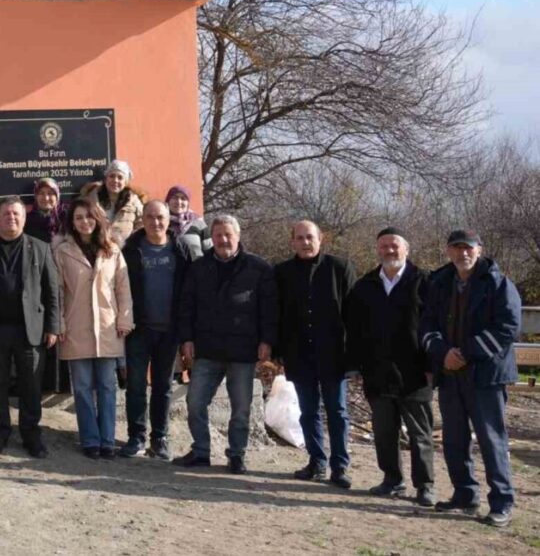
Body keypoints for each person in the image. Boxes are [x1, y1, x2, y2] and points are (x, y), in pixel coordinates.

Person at [421, 229, 521, 528]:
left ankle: (502, 502)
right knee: (454, 439)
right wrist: (442, 352)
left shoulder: (498, 283)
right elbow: (426, 325)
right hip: (450, 374)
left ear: (479, 250)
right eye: (456, 248)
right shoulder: (439, 283)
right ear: (447, 251)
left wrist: (465, 352)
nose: (462, 253)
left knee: (491, 440)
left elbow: (508, 327)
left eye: (468, 248)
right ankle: (464, 494)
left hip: (485, 375)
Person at [174, 215, 277, 473]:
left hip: (243, 350)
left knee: (241, 409)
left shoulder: (258, 268)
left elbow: (270, 308)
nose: (223, 240)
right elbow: (186, 306)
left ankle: (237, 455)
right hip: (207, 348)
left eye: (227, 234)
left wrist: (267, 340)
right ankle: (200, 451)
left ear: (238, 235)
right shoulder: (199, 268)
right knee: (195, 402)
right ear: (212, 238)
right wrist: (186, 339)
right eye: (218, 235)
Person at [346, 227, 435, 506]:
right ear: (377, 250)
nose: (389, 251)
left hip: (415, 373)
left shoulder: (424, 282)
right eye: (384, 246)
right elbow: (354, 329)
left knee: (420, 435)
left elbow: (435, 327)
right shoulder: (365, 286)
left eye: (394, 246)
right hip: (377, 372)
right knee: (384, 433)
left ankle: (425, 486)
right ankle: (392, 480)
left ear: (406, 249)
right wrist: (356, 366)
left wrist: (433, 364)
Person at [0, 196, 62, 458]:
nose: (11, 218)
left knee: (30, 386)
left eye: (16, 214)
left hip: (29, 330)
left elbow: (52, 291)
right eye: (6, 214)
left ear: (23, 218)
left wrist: (53, 327)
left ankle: (31, 435)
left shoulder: (41, 248)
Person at [274, 220, 357, 488]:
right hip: (299, 354)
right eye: (299, 238)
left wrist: (354, 356)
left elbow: (355, 316)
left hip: (334, 354)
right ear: (292, 242)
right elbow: (278, 315)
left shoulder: (340, 268)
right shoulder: (282, 273)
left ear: (321, 239)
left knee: (337, 411)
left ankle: (340, 466)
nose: (305, 242)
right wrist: (277, 351)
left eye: (310, 237)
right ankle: (316, 462)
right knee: (308, 412)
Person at [53, 199, 133, 459]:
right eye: (78, 218)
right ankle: (90, 440)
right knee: (83, 387)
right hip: (75, 326)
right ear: (72, 222)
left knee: (108, 387)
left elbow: (123, 289)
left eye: (89, 217)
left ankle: (108, 439)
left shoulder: (112, 250)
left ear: (98, 219)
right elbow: (57, 291)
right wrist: (59, 323)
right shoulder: (62, 251)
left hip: (108, 326)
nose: (84, 222)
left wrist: (125, 319)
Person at [119, 200, 193, 460]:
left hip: (169, 331)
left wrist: (186, 334)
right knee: (136, 385)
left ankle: (160, 438)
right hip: (139, 329)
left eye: (160, 217)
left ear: (168, 219)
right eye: (150, 217)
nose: (155, 222)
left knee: (163, 387)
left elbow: (189, 293)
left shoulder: (181, 249)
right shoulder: (130, 249)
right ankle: (135, 437)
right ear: (143, 219)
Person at [81, 160, 145, 247]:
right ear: (106, 178)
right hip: (98, 248)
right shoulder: (91, 199)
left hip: (125, 250)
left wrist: (131, 240)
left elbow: (143, 222)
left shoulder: (133, 201)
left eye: (120, 177)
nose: (115, 180)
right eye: (112, 176)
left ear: (125, 182)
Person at [165, 185, 210, 259]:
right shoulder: (160, 223)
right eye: (175, 197)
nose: (179, 202)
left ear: (188, 203)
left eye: (183, 198)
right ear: (168, 200)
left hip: (196, 269)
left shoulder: (198, 223)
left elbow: (210, 251)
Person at [24, 177, 65, 244]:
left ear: (57, 197)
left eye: (50, 193)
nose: (46, 198)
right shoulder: (27, 221)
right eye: (41, 193)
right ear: (36, 196)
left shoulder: (65, 218)